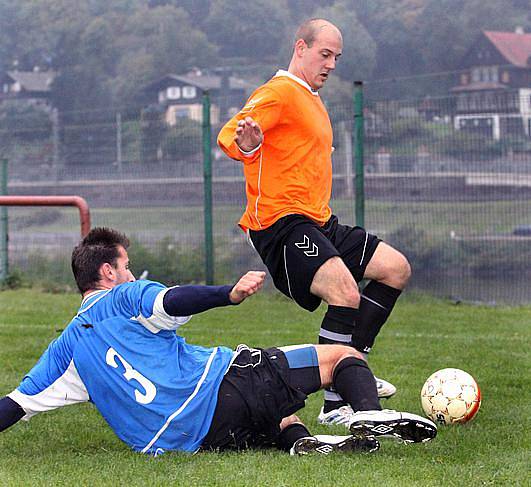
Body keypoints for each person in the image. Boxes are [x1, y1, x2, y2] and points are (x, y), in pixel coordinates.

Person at [0, 227, 436, 456]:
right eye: (127, 266)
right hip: (218, 392)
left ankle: (302, 442)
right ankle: (369, 415)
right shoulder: (124, 296)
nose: (132, 273)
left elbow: (14, 406)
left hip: (187, 441)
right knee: (342, 358)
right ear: (109, 273)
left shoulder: (63, 351)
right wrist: (226, 294)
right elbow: (173, 299)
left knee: (279, 413)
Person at [217, 18, 411, 426]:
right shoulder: (280, 91)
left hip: (319, 221)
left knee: (395, 269)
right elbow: (232, 134)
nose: (331, 64)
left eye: (336, 58)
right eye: (325, 54)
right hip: (281, 223)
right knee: (345, 292)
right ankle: (337, 407)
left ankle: (350, 367)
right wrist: (247, 145)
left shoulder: (311, 98)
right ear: (300, 47)